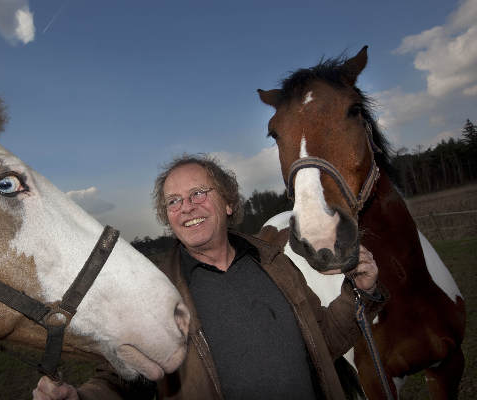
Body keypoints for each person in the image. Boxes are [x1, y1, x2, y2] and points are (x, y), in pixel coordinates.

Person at [33, 154, 386, 400]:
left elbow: (322, 339)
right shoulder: (156, 290)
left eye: (198, 194)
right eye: (173, 201)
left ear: (229, 203)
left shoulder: (273, 263)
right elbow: (121, 381)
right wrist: (81, 398)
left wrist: (359, 292)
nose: (186, 207)